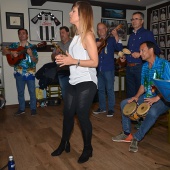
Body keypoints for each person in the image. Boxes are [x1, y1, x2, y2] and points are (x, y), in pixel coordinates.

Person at [51, 1, 98, 164]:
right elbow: (74, 60)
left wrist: (73, 60)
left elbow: (94, 62)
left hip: (87, 81)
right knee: (67, 114)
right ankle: (64, 143)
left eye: (73, 11)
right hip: (73, 80)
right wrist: (65, 60)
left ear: (82, 14)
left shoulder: (88, 35)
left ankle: (88, 148)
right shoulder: (76, 38)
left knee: (82, 115)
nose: (70, 13)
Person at [112, 41, 170, 153]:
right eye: (140, 50)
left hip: (164, 99)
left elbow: (168, 86)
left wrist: (156, 98)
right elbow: (143, 86)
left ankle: (137, 138)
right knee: (125, 103)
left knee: (153, 112)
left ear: (151, 50)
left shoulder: (164, 64)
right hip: (148, 96)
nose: (140, 53)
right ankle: (127, 133)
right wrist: (136, 96)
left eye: (142, 50)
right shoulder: (144, 67)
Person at [121, 12, 160, 99]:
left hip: (140, 67)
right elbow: (129, 52)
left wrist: (141, 54)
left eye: (136, 19)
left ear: (142, 21)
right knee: (130, 94)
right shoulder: (131, 36)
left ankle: (142, 112)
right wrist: (125, 57)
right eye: (132, 19)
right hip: (129, 68)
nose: (133, 21)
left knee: (141, 93)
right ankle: (131, 112)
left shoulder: (147, 34)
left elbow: (156, 50)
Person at [2, 29, 38, 115]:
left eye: (23, 33)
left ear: (27, 35)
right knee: (20, 92)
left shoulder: (32, 46)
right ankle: (21, 109)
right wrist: (12, 52)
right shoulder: (14, 45)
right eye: (20, 34)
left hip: (30, 72)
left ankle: (33, 109)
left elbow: (35, 60)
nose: (22, 35)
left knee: (32, 92)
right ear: (18, 36)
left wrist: (31, 54)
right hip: (19, 72)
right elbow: (3, 50)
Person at [93, 22, 123, 117]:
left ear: (106, 29)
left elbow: (119, 48)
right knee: (100, 89)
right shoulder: (96, 41)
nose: (101, 30)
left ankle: (111, 109)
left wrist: (116, 36)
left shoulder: (111, 39)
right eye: (99, 29)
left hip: (109, 68)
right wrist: (95, 46)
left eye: (102, 28)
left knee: (109, 89)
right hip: (99, 68)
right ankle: (102, 108)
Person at [51, 26, 72, 100]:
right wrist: (55, 54)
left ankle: (73, 108)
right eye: (60, 33)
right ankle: (68, 107)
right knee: (64, 90)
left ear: (68, 33)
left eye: (63, 32)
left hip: (72, 69)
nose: (61, 34)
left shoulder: (73, 42)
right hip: (61, 70)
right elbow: (52, 57)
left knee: (73, 89)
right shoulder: (58, 44)